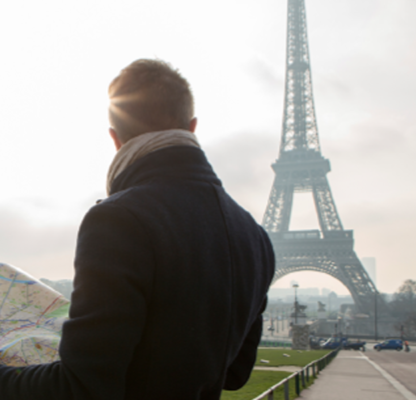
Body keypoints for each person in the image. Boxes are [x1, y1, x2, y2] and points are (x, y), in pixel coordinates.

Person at [0, 59, 275, 398]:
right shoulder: (256, 237)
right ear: (192, 126)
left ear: (115, 139)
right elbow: (235, 373)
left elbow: (80, 388)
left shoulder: (118, 220)